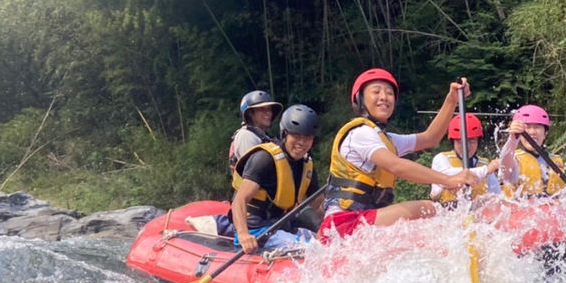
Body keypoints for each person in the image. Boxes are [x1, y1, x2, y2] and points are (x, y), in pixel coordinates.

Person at [318, 68, 478, 240]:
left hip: (362, 223)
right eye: (376, 92)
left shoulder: (387, 140)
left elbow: (430, 138)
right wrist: (449, 180)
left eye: (389, 93)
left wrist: (451, 100)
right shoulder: (360, 133)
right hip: (340, 227)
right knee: (427, 208)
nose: (384, 97)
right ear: (360, 100)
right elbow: (397, 166)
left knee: (420, 227)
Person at [214, 104, 324, 252]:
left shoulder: (306, 164)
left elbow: (319, 206)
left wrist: (333, 227)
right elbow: (239, 200)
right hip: (258, 231)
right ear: (284, 134)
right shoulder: (265, 159)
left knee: (325, 244)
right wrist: (243, 235)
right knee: (312, 249)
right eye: (296, 136)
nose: (302, 143)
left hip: (283, 227)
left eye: (307, 138)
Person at [498, 104, 566, 197]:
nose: (532, 132)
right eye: (527, 127)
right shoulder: (513, 160)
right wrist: (512, 139)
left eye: (537, 127)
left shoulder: (556, 161)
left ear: (545, 133)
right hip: (521, 209)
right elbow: (505, 167)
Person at [429, 113, 501, 205]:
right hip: (446, 214)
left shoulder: (484, 164)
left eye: (472, 141)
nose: (466, 146)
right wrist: (485, 170)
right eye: (460, 141)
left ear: (478, 142)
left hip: (477, 215)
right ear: (453, 142)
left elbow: (497, 197)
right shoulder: (441, 159)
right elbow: (447, 177)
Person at [229, 89, 282, 189]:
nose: (268, 113)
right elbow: (253, 172)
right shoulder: (246, 135)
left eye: (269, 109)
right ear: (250, 113)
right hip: (255, 200)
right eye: (262, 109)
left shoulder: (267, 137)